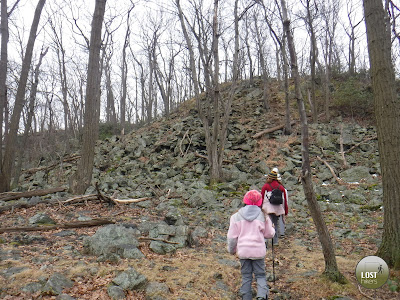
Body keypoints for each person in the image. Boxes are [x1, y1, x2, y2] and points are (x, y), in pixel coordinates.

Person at [227, 190, 275, 300]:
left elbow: (232, 237)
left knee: (246, 276)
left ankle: (246, 297)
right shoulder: (263, 216)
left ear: (245, 201)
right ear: (260, 202)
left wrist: (232, 250)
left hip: (243, 251)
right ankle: (262, 296)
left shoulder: (236, 217)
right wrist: (273, 229)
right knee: (260, 275)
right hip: (258, 251)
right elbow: (269, 234)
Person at [261, 168, 288, 246]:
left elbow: (262, 197)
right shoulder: (281, 187)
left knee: (267, 224)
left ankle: (265, 240)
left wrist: (260, 208)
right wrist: (285, 211)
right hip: (278, 209)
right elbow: (284, 200)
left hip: (268, 209)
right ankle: (275, 241)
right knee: (275, 224)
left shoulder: (266, 186)